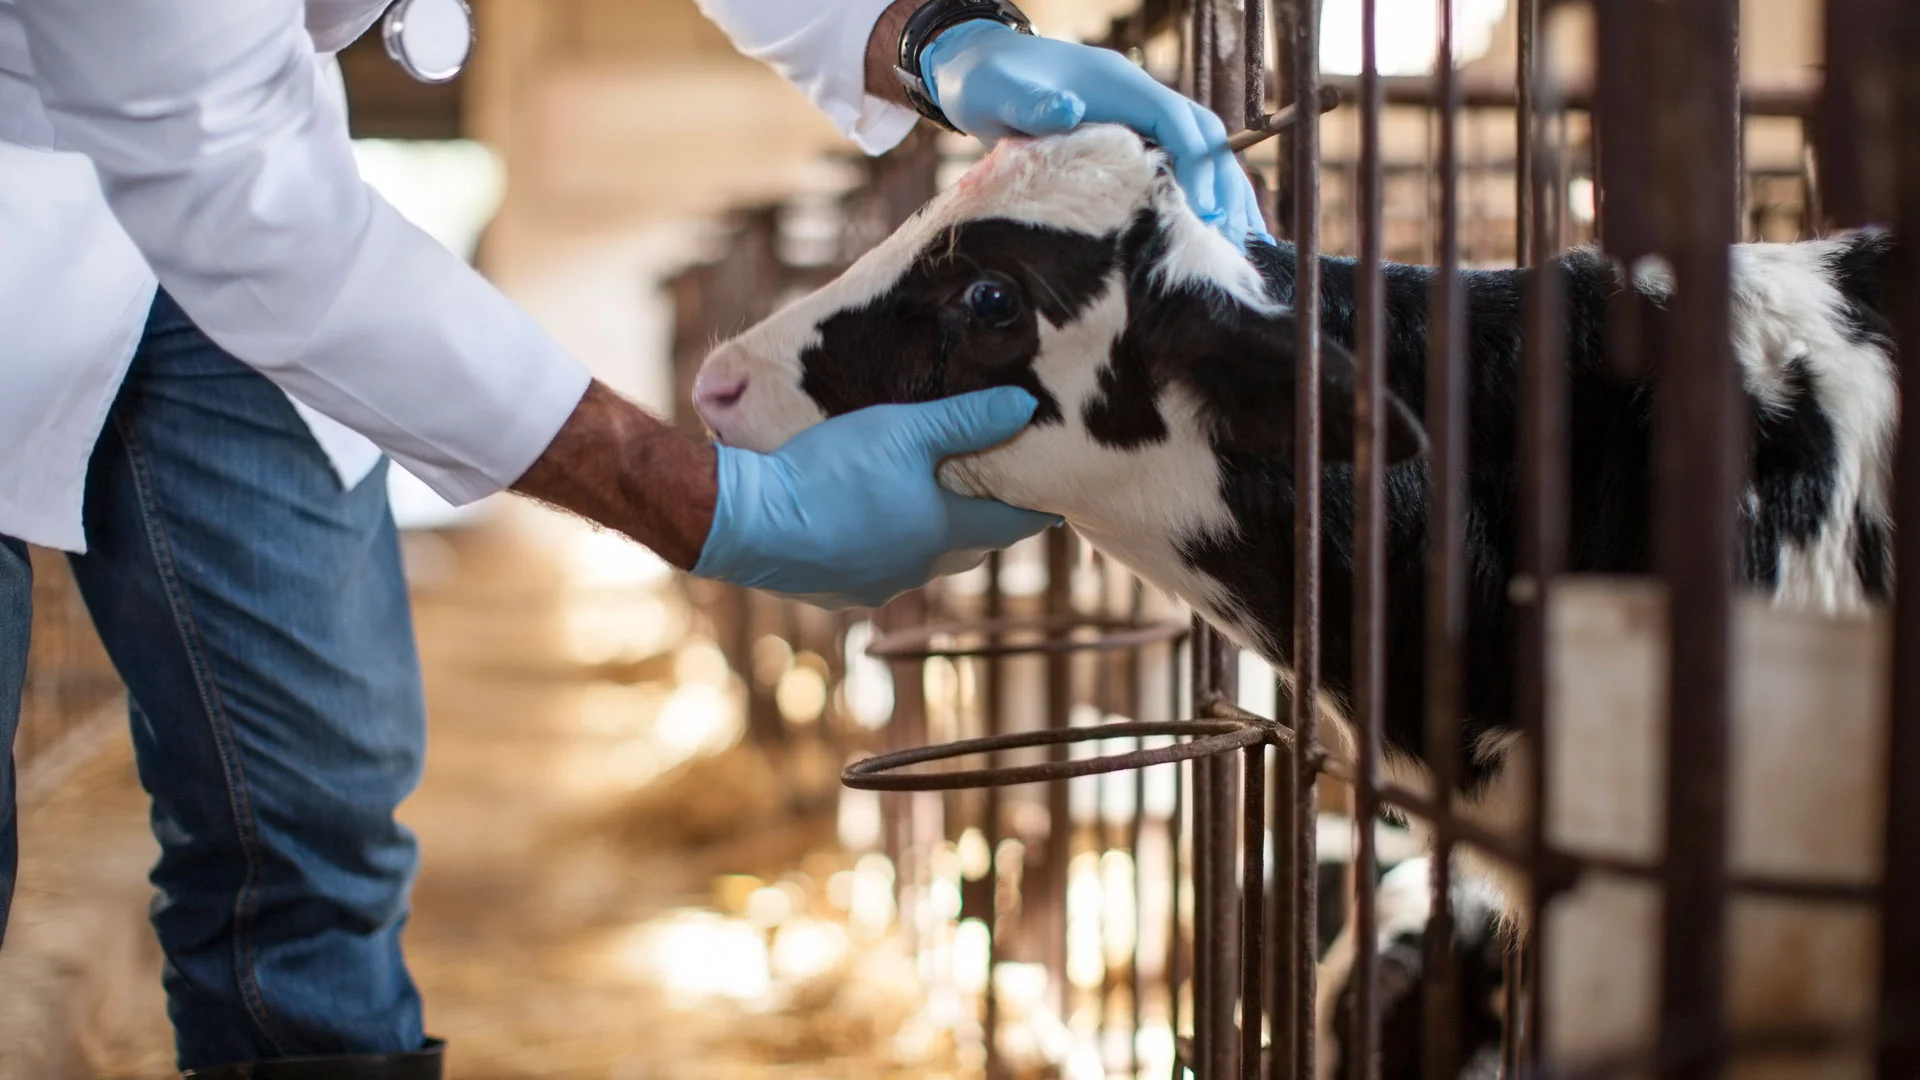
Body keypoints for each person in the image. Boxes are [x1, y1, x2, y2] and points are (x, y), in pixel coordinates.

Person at [0, 0, 1264, 1074]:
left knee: (317, 795)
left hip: (218, 188)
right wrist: (707, 504)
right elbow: (242, 199)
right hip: (88, 166)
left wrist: (916, 29)